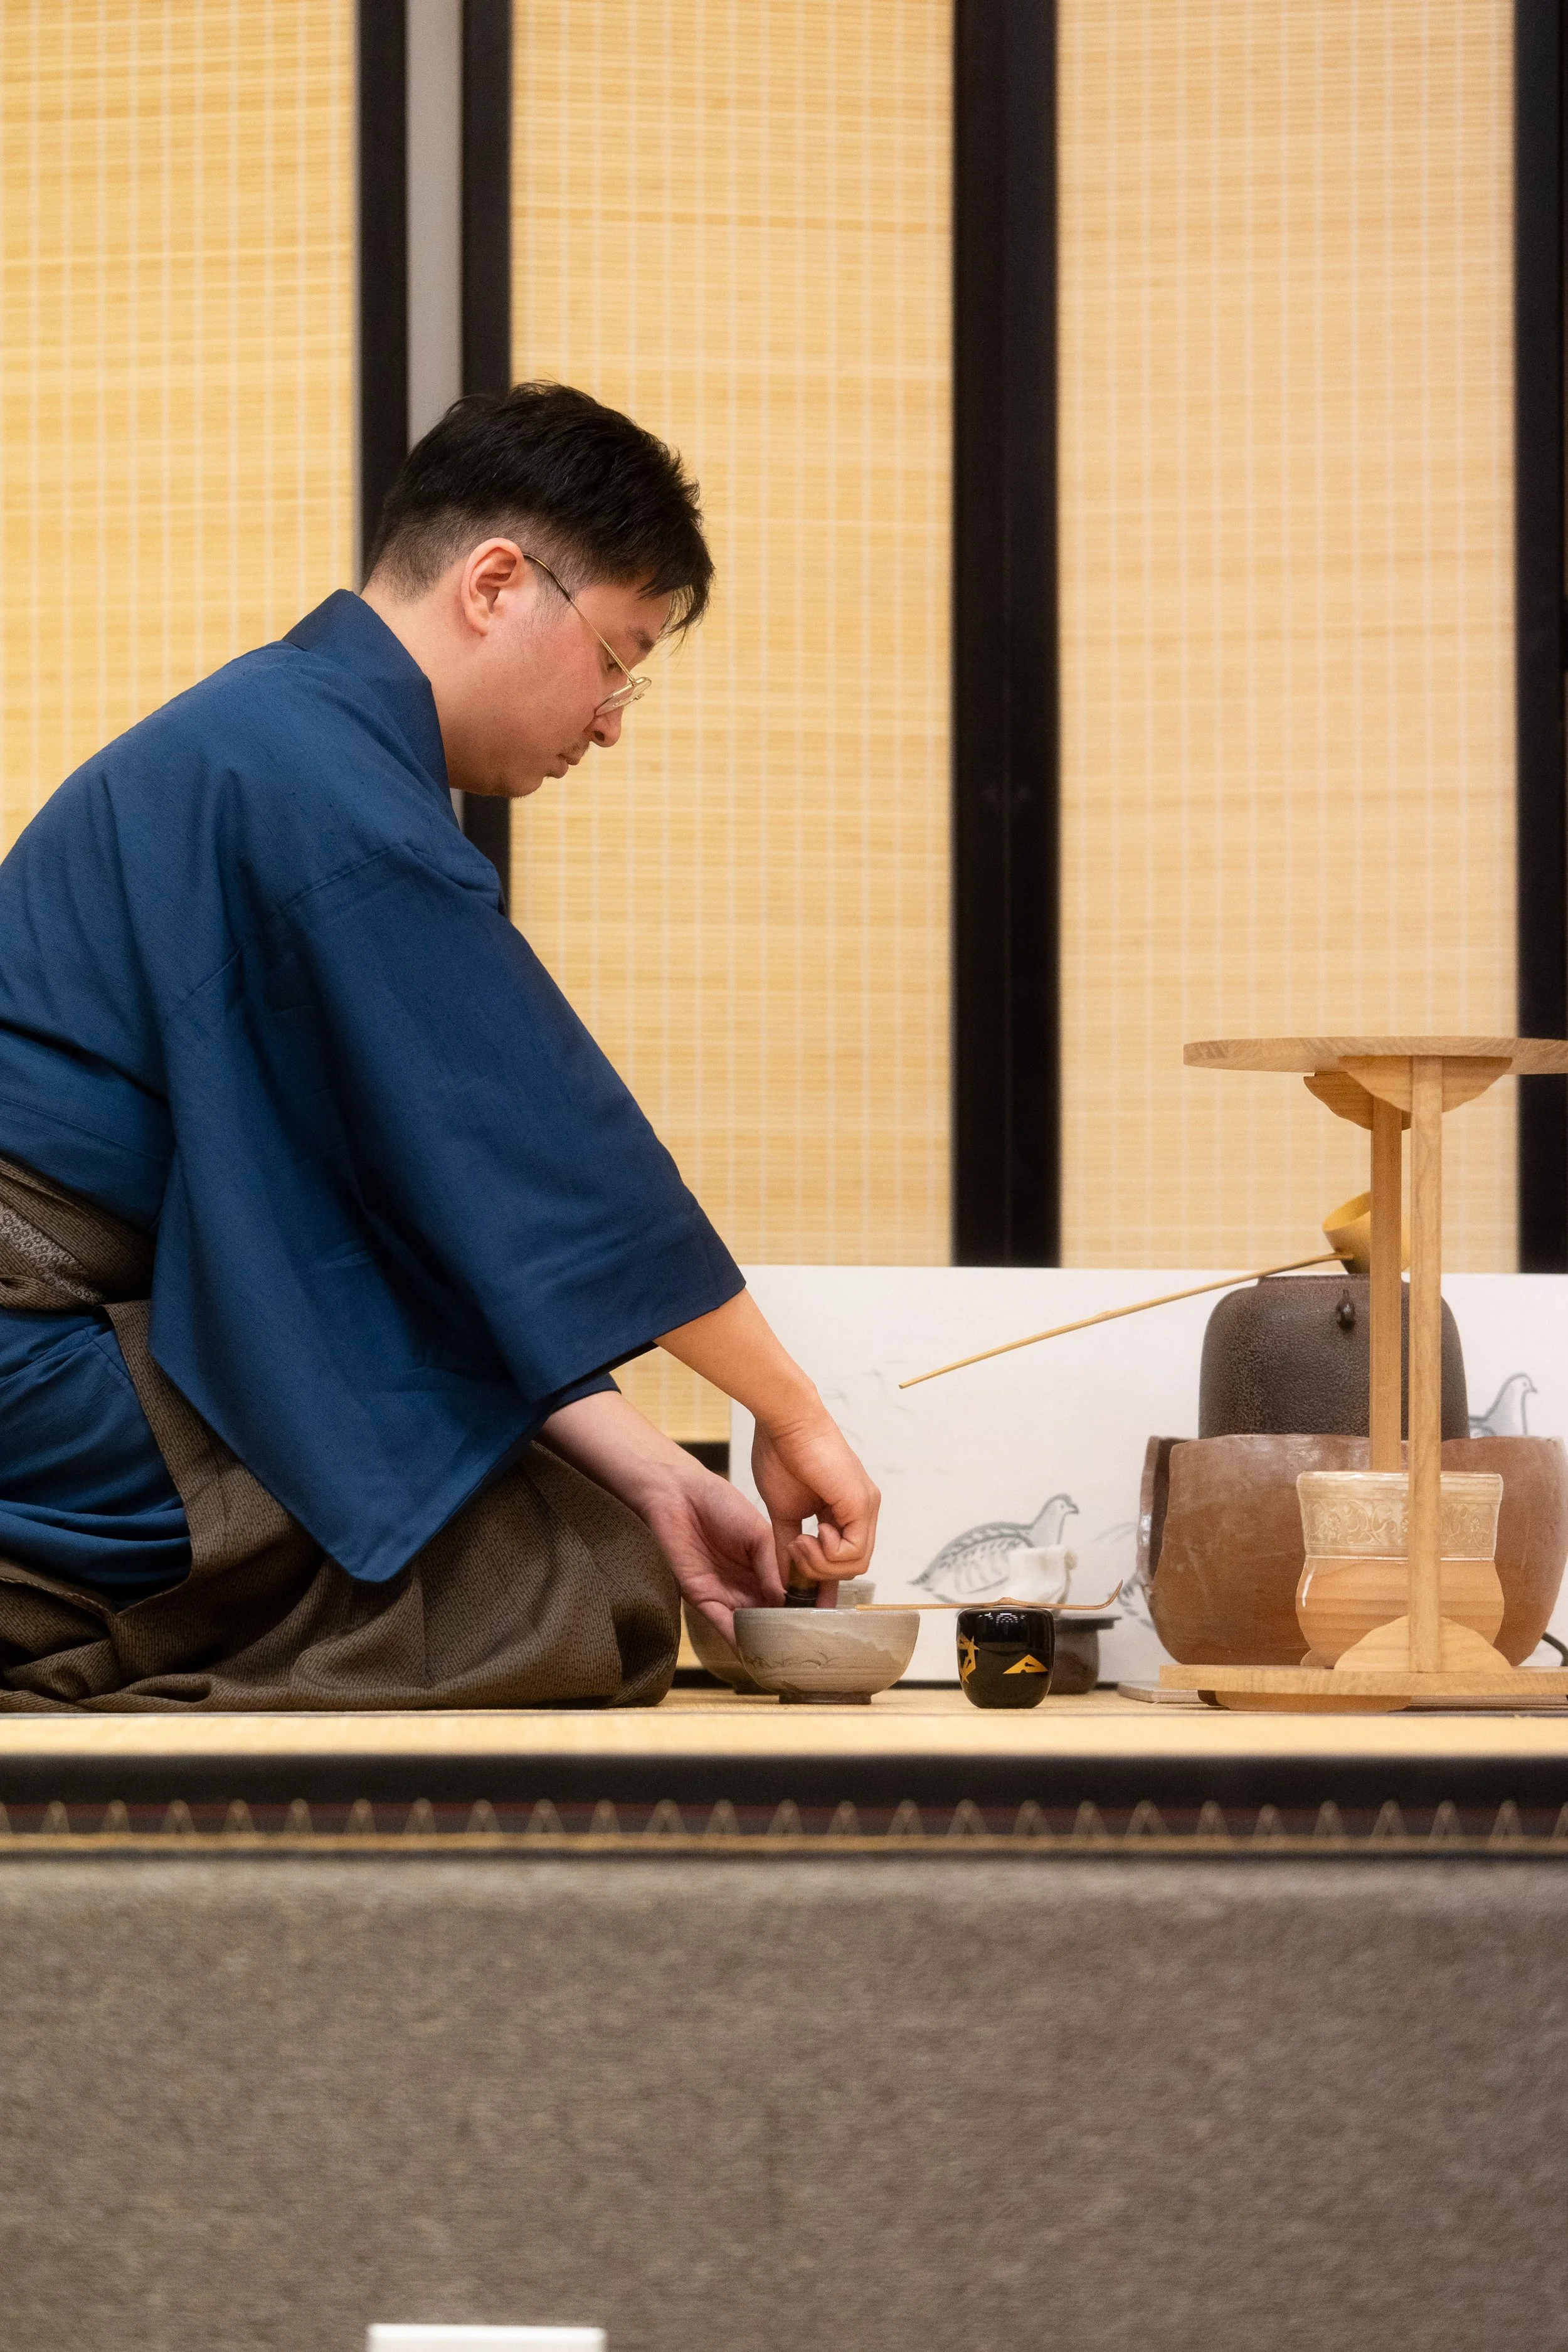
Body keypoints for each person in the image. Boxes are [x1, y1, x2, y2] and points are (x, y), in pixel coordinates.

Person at [0, 381, 879, 1710]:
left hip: (75, 1335)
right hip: (41, 1370)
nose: (612, 716)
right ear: (494, 584)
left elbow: (405, 1219)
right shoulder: (319, 781)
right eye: (616, 655)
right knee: (574, 1587)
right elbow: (546, 1166)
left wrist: (647, 1462)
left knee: (600, 1522)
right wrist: (795, 1416)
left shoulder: (281, 741)